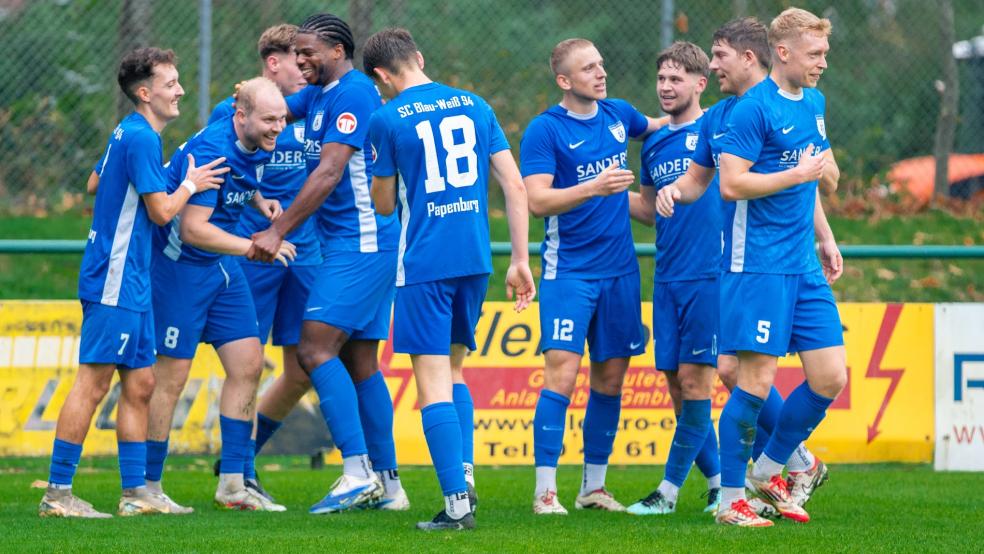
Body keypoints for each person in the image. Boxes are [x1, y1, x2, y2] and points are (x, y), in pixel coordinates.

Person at [654, 17, 842, 523]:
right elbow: (721, 184)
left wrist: (824, 234)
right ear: (780, 53)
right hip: (755, 263)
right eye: (816, 53)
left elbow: (815, 172)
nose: (711, 64)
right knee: (745, 376)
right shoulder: (735, 115)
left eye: (718, 55)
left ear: (752, 56)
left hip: (798, 261)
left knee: (829, 377)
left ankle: (775, 466)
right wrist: (674, 190)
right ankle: (737, 496)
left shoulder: (812, 103)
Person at [40, 47, 228, 518]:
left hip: (133, 279)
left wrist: (161, 179)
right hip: (115, 278)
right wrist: (190, 184)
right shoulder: (141, 138)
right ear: (145, 93)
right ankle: (58, 494)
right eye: (171, 83)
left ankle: (136, 494)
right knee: (93, 382)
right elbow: (162, 211)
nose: (180, 90)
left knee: (141, 383)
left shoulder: (131, 132)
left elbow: (93, 183)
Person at [364, 27, 535, 531]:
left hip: (424, 265)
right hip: (476, 260)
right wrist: (521, 260)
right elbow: (514, 184)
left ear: (380, 75)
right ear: (418, 57)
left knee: (432, 383)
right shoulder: (475, 104)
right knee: (456, 372)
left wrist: (384, 175)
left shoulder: (386, 117)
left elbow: (384, 204)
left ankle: (456, 505)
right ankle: (464, 477)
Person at [247, 13, 408, 513]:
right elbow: (271, 109)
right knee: (359, 361)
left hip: (363, 242)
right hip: (356, 244)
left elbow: (329, 172)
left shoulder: (354, 93)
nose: (300, 62)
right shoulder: (319, 95)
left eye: (308, 52)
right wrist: (231, 115)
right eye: (295, 54)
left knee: (313, 348)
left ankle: (356, 472)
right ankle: (391, 487)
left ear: (338, 50)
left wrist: (275, 230)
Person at [520, 38, 660, 515]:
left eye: (601, 63)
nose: (601, 73)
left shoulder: (619, 114)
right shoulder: (545, 130)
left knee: (611, 378)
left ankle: (592, 488)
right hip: (570, 272)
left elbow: (665, 126)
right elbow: (537, 201)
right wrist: (595, 186)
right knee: (561, 371)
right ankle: (545, 492)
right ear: (565, 80)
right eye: (588, 68)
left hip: (620, 271)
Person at [145, 77, 295, 512]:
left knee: (248, 363)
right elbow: (192, 230)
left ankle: (233, 484)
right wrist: (254, 245)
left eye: (282, 119)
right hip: (179, 270)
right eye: (270, 120)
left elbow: (239, 181)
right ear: (241, 116)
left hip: (219, 268)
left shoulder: (251, 136)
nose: (278, 128)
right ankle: (148, 488)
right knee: (169, 381)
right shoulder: (214, 148)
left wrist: (260, 201)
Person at [206, 24, 318, 503]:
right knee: (247, 361)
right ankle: (240, 471)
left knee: (305, 366)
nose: (307, 67)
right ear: (274, 62)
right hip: (252, 255)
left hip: (308, 252)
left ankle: (240, 456)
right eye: (300, 59)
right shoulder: (233, 115)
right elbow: (216, 177)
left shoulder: (318, 106)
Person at [624, 41, 723, 517]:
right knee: (676, 386)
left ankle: (666, 492)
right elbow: (649, 208)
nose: (665, 87)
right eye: (661, 78)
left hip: (710, 273)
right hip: (668, 278)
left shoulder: (719, 130)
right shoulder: (655, 142)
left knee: (696, 381)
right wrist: (605, 189)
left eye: (676, 79)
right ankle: (722, 484)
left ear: (700, 84)